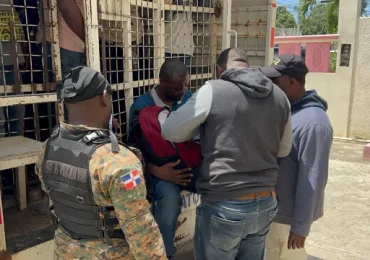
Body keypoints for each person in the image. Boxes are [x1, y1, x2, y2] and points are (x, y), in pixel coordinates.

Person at [161, 48, 293, 260]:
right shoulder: (280, 97)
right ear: (247, 66)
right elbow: (284, 149)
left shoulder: (213, 90)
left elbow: (170, 130)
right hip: (266, 203)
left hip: (225, 205)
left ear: (218, 70)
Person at [35, 66, 166, 259]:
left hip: (64, 252)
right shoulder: (118, 161)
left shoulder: (48, 148)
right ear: (105, 97)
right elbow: (141, 232)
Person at [260, 54, 333, 260]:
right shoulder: (290, 112)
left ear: (292, 82)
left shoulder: (313, 123)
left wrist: (301, 227)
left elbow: (313, 179)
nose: (270, 86)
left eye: (276, 82)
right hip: (274, 212)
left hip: (287, 220)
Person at [127, 59, 193, 259]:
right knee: (169, 198)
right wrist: (157, 171)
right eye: (176, 88)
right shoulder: (141, 107)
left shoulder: (189, 98)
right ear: (161, 82)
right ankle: (165, 254)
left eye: (185, 86)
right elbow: (135, 154)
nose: (182, 91)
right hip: (159, 171)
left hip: (190, 165)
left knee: (216, 186)